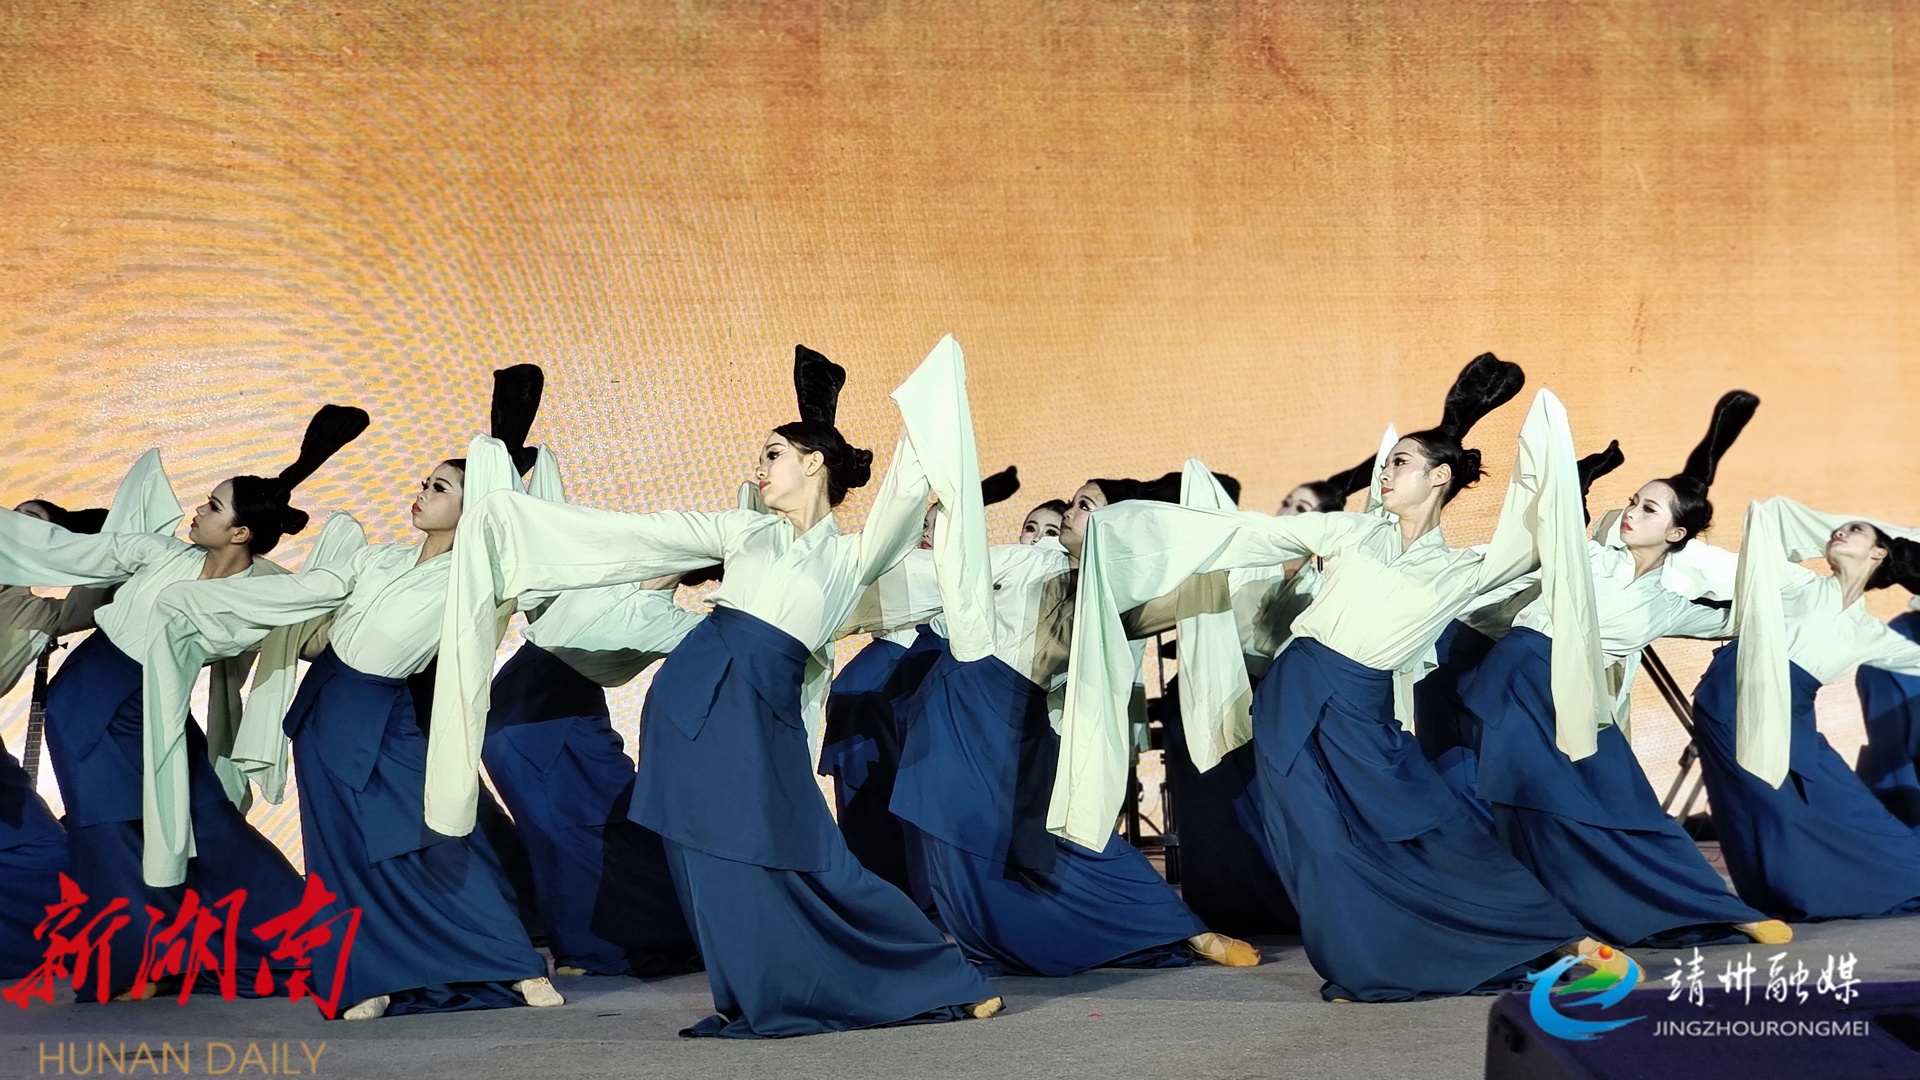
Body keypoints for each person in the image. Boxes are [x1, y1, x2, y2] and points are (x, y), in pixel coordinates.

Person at [429, 340, 1001, 1037]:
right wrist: (511, 517)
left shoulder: (854, 554)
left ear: (813, 462)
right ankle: (755, 990)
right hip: (692, 696)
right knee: (707, 855)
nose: (758, 468)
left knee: (811, 846)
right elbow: (639, 535)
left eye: (772, 454)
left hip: (762, 703)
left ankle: (930, 974)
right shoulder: (744, 531)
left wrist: (933, 404)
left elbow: (907, 494)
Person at [1057, 354, 1626, 1002]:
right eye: (1388, 462)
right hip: (1293, 696)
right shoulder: (1353, 532)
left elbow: (1536, 544)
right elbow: (1249, 534)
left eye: (1401, 462)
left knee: (1435, 825)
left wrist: (1556, 471)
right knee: (1319, 841)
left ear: (1439, 477)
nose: (1386, 470)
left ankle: (1557, 937)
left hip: (1364, 709)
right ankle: (1372, 957)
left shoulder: (1462, 570)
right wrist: (1129, 530)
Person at [149, 368, 563, 1018]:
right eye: (424, 483)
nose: (422, 494)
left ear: (475, 503)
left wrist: (503, 458)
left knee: (435, 839)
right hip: (325, 708)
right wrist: (215, 599)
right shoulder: (379, 559)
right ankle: (367, 978)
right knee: (339, 852)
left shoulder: (479, 576)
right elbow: (313, 605)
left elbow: (524, 552)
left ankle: (513, 963)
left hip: (385, 711)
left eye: (441, 488)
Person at [0, 412, 362, 999]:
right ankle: (138, 966)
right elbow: (64, 549)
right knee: (111, 830)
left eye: (213, 506)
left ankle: (317, 943)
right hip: (90, 698)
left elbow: (317, 632)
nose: (198, 510)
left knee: (210, 823)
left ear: (240, 533)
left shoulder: (267, 586)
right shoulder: (159, 553)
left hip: (159, 705)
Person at [1454, 392, 1789, 947]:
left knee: (1628, 801)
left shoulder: (1666, 604)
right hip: (1521, 679)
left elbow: (1740, 619)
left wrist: (1773, 579)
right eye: (1633, 501)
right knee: (1528, 808)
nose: (1631, 512)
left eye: (1649, 509)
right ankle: (1552, 923)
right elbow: (1543, 527)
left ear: (1676, 534)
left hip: (1579, 699)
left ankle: (1717, 907)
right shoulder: (1587, 556)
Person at [1689, 492, 1920, 921]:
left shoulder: (1869, 632)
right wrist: (1856, 536)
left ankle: (1899, 881)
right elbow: (1767, 516)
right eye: (1837, 530)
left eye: (1855, 530)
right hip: (1735, 700)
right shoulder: (1796, 583)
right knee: (1770, 808)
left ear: (1878, 553)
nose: (1839, 532)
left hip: (1792, 713)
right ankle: (1791, 894)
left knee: (1847, 801)